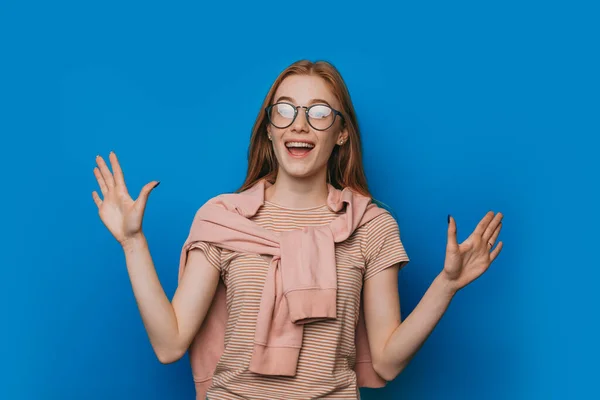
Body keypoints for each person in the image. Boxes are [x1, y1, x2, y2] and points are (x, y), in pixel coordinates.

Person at [91, 59, 504, 400]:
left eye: (319, 113)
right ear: (269, 129)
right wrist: (133, 242)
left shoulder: (371, 226)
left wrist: (446, 285)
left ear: (342, 133)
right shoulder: (222, 218)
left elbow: (387, 361)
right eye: (285, 111)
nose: (300, 124)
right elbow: (170, 344)